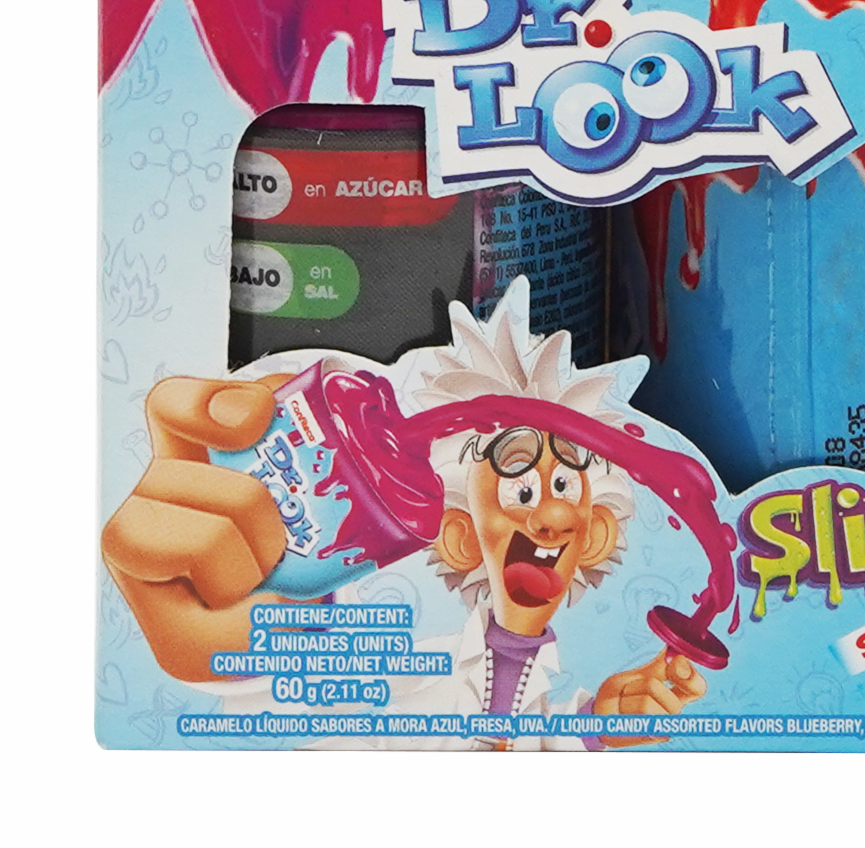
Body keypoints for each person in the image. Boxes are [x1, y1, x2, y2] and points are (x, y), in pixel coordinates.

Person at [101, 279, 707, 748]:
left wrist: (599, 724)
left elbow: (527, 741)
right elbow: (325, 733)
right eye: (519, 491)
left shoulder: (534, 672)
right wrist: (224, 652)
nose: (548, 518)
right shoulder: (413, 668)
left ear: (596, 534)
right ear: (460, 535)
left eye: (566, 489)